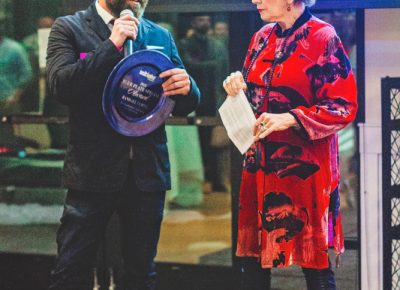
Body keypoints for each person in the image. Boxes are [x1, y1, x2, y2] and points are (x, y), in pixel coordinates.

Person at [46, 0, 200, 289]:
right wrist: (112, 44)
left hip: (146, 175)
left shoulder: (159, 35)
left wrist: (189, 87)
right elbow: (61, 86)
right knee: (71, 271)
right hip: (91, 173)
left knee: (141, 274)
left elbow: (185, 104)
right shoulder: (69, 27)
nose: (140, 0)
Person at [222, 0, 357, 289]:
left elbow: (343, 105)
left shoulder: (323, 36)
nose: (255, 0)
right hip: (259, 167)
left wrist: (292, 118)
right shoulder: (261, 37)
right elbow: (252, 92)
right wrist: (236, 84)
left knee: (314, 263)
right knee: (254, 262)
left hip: (304, 170)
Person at [179, 13, 229, 193]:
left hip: (212, 98)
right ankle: (198, 181)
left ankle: (216, 180)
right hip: (192, 100)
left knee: (213, 141)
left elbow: (223, 68)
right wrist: (212, 65)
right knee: (196, 142)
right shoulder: (186, 44)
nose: (206, 23)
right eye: (201, 19)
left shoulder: (216, 44)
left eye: (208, 19)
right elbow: (189, 66)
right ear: (193, 21)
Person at [0, 34, 32, 115]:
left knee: (8, 126)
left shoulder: (15, 48)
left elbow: (26, 74)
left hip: (7, 100)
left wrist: (15, 95)